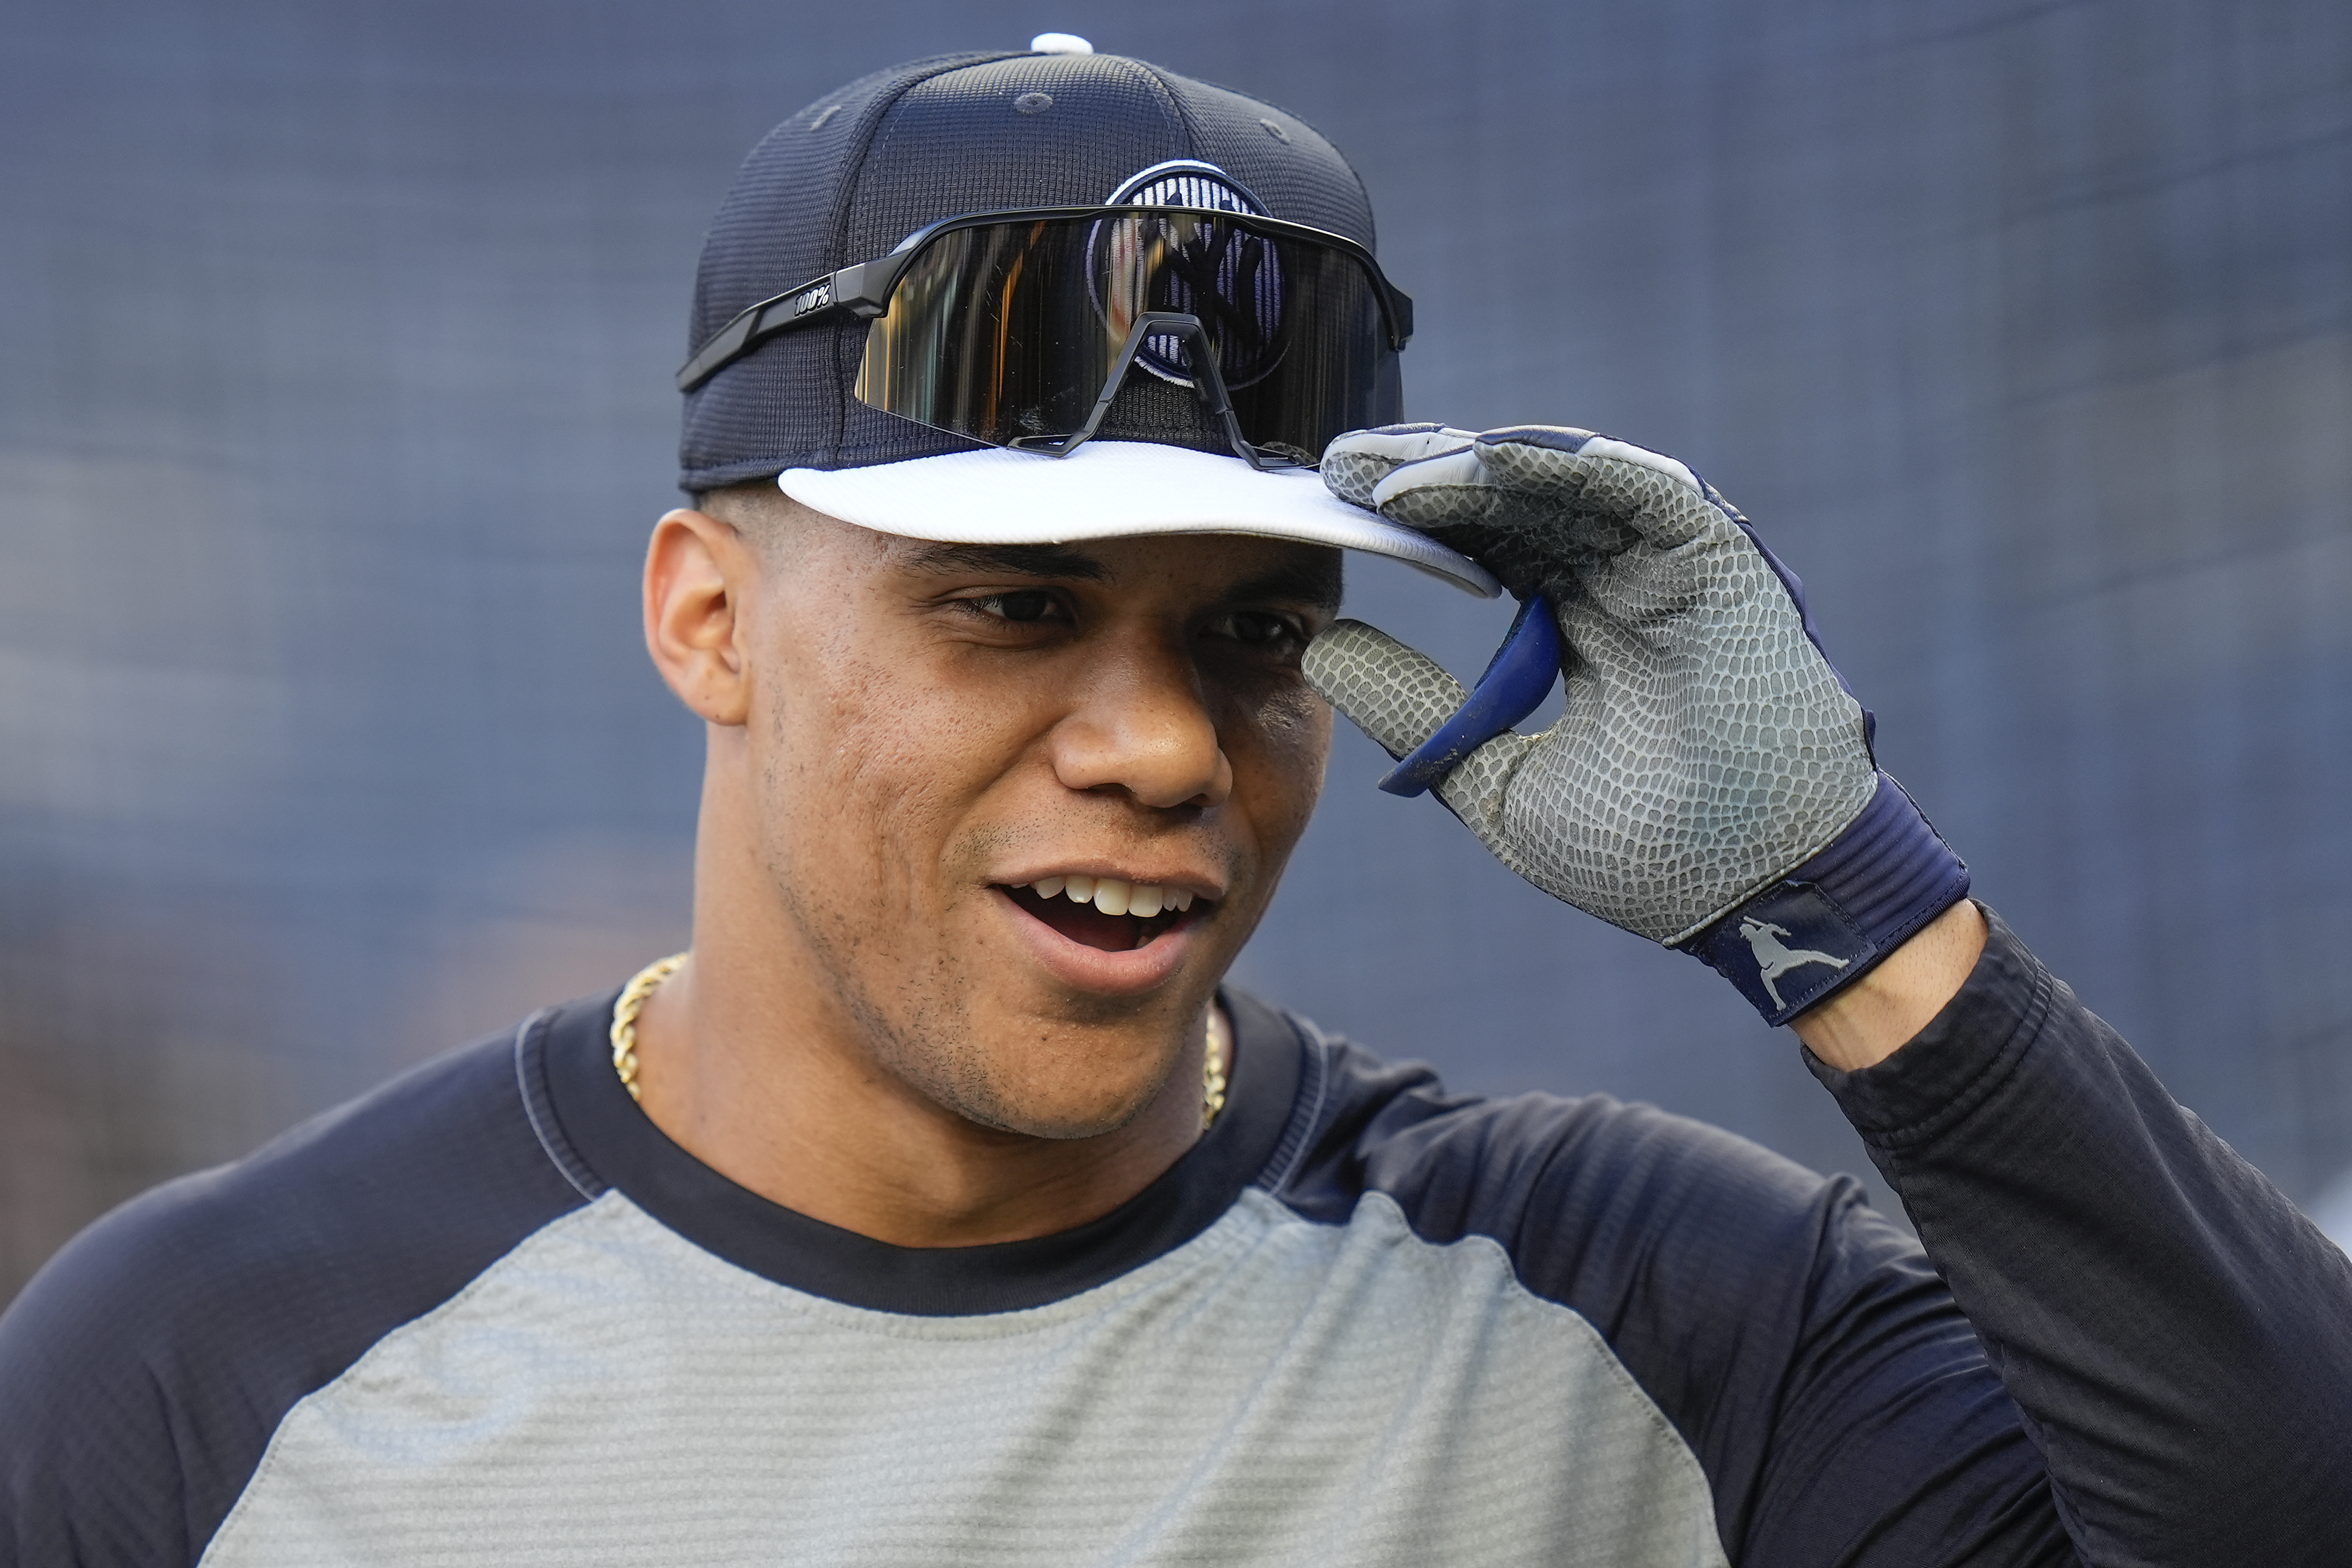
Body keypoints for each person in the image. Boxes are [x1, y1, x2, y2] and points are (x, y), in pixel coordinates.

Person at [3, 36, 2347, 1567]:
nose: (1158, 744)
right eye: (1014, 607)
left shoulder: (1643, 1314)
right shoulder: (199, 1375)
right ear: (704, 616)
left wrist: (1853, 911)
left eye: (1250, 633)